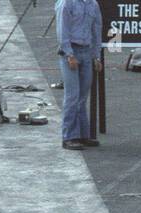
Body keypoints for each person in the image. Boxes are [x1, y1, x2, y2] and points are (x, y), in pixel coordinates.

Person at [55, 0, 102, 149]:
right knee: (72, 96)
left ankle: (82, 135)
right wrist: (69, 54)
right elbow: (63, 30)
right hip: (71, 52)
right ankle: (69, 136)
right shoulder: (67, 3)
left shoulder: (93, 4)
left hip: (86, 52)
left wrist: (96, 56)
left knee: (82, 97)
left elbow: (96, 30)